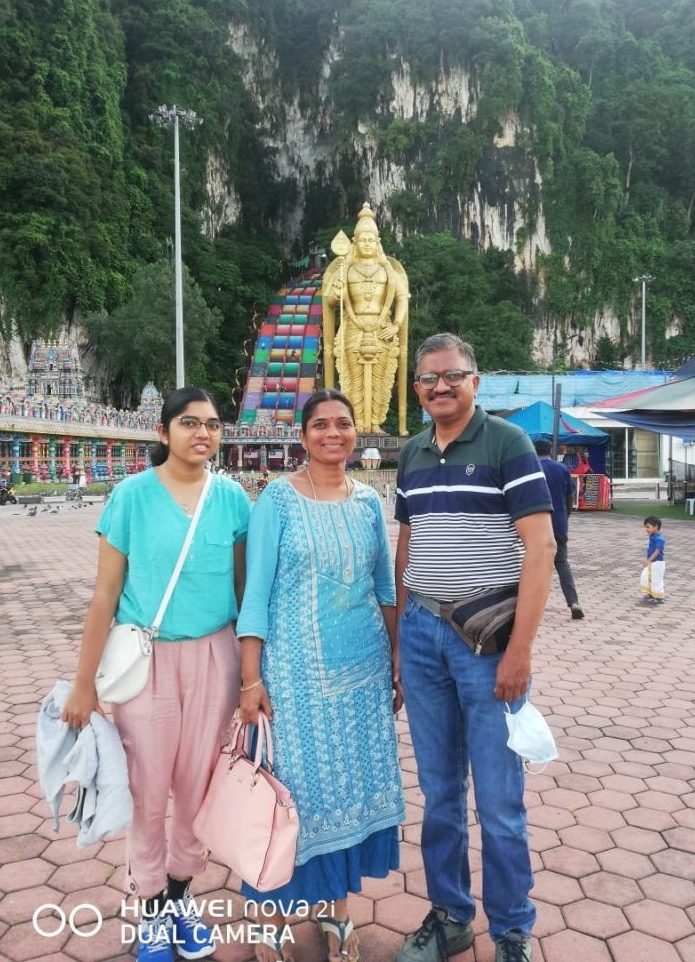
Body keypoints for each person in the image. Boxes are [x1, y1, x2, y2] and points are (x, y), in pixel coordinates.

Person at [61, 387, 252, 962]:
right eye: (189, 423)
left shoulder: (233, 498)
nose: (203, 434)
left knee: (196, 790)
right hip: (146, 661)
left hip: (216, 657)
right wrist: (82, 683)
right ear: (163, 432)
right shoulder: (131, 497)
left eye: (214, 425)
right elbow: (104, 595)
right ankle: (149, 910)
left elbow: (245, 594)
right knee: (147, 791)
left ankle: (180, 896)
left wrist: (251, 673)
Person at [394, 334, 556, 962]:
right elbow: (407, 547)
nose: (441, 387)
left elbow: (540, 550)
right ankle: (452, 915)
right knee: (437, 795)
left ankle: (512, 928)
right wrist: (400, 646)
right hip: (424, 635)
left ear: (475, 381)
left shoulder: (506, 443)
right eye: (429, 379)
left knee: (498, 799)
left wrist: (521, 651)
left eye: (452, 376)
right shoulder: (410, 453)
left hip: (486, 644)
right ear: (417, 389)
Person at [237, 389, 404, 962]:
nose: (334, 433)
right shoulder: (277, 501)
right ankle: (268, 923)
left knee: (348, 796)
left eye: (343, 424)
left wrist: (398, 661)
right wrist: (250, 680)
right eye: (321, 425)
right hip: (295, 679)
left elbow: (384, 588)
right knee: (292, 801)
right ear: (303, 436)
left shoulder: (366, 503)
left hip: (362, 674)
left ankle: (337, 917)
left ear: (356, 433)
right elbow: (255, 593)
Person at [322, 203, 409, 434]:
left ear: (377, 241)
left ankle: (376, 423)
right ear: (356, 242)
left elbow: (402, 298)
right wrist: (338, 291)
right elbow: (329, 301)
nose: (367, 244)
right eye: (363, 240)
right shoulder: (346, 269)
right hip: (353, 328)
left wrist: (396, 326)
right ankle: (357, 423)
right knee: (353, 380)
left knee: (381, 381)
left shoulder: (387, 270)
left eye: (371, 239)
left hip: (382, 329)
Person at [534, 439, 584, 620]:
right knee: (562, 564)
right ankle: (573, 602)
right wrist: (565, 517)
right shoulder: (562, 469)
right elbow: (570, 496)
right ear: (550, 450)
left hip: (535, 527)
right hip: (559, 524)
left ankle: (530, 606)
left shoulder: (530, 468)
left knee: (532, 566)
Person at [640, 515, 666, 604]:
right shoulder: (652, 536)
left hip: (657, 563)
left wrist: (649, 560)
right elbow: (650, 549)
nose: (646, 529)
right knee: (646, 576)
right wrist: (647, 559)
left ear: (656, 527)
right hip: (651, 562)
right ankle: (650, 594)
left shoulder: (660, 539)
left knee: (656, 579)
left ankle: (659, 597)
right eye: (645, 527)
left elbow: (657, 551)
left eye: (648, 527)